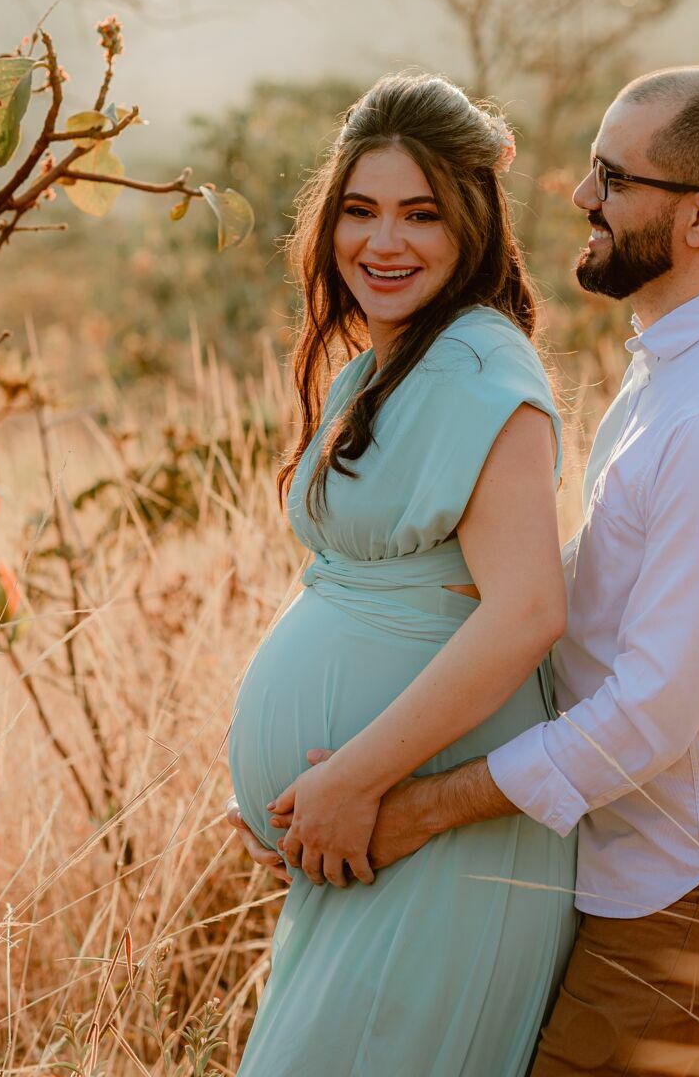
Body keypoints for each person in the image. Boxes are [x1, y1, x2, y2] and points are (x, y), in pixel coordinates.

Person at [232, 63, 699, 1077]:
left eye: (612, 175)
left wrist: (407, 801)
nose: (579, 195)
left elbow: (650, 712)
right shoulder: (678, 371)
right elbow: (590, 589)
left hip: (677, 879)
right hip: (635, 864)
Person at [225, 72, 577, 1077]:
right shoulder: (381, 366)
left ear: (471, 225)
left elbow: (525, 613)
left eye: (420, 214)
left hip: (441, 844)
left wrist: (345, 776)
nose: (384, 243)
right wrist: (293, 799)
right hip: (361, 832)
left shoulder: (479, 368)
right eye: (360, 211)